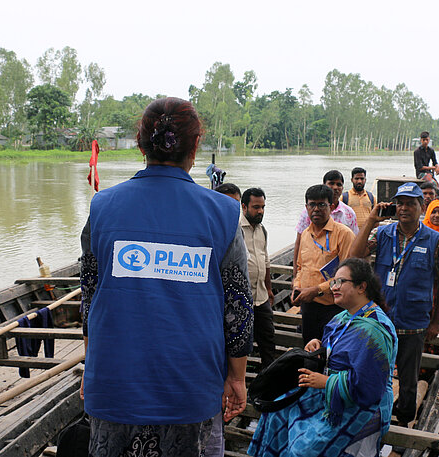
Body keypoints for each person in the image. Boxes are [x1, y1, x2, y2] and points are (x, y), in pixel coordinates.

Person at [78, 97, 254, 456]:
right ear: (195, 147)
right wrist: (236, 378)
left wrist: (90, 364)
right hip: (189, 388)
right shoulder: (222, 212)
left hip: (114, 383)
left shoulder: (103, 207)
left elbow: (90, 299)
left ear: (141, 145)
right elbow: (238, 308)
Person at [248, 258, 397, 457]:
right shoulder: (344, 317)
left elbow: (369, 388)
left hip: (361, 404)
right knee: (276, 412)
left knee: (304, 450)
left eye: (340, 282)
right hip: (332, 391)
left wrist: (326, 382)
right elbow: (334, 349)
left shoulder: (372, 332)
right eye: (333, 282)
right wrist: (319, 346)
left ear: (362, 287)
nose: (334, 287)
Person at [349, 182, 439, 427]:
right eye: (400, 203)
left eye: (410, 203)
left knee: (408, 380)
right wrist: (372, 220)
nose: (404, 208)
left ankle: (404, 425)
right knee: (372, 370)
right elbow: (354, 255)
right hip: (381, 322)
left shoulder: (434, 240)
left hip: (414, 324)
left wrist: (436, 321)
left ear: (421, 206)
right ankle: (372, 419)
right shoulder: (383, 233)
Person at [292, 184, 356, 344]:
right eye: (312, 204)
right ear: (306, 207)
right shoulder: (306, 234)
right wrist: (296, 287)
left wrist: (317, 290)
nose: (316, 209)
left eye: (322, 205)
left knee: (333, 353)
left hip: (334, 307)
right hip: (308, 306)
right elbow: (300, 267)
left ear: (332, 206)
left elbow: (348, 276)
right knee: (310, 351)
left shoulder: (344, 234)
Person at [293, 170, 358, 277]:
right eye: (331, 183)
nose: (335, 187)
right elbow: (299, 243)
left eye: (339, 184)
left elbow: (354, 244)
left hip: (336, 275)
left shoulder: (348, 214)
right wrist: (295, 274)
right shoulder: (307, 215)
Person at [240, 187, 276, 369]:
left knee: (268, 340)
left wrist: (269, 288)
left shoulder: (262, 230)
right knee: (240, 342)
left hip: (261, 297)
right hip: (241, 299)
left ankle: (269, 381)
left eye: (263, 207)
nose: (260, 211)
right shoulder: (235, 229)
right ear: (244, 206)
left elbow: (266, 260)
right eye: (256, 207)